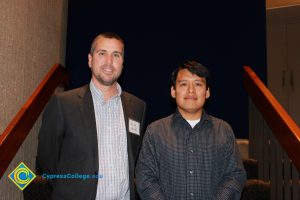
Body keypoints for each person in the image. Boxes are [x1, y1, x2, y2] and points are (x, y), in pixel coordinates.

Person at [37, 32, 146, 200]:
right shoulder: (63, 103)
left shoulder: (138, 107)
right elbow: (47, 161)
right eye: (102, 53)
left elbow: (134, 156)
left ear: (122, 63)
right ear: (90, 59)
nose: (109, 62)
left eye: (116, 55)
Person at [135, 61, 246, 200]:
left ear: (207, 92)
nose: (191, 90)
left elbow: (235, 175)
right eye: (184, 84)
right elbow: (145, 178)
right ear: (173, 91)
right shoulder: (155, 131)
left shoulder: (223, 130)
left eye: (198, 84)